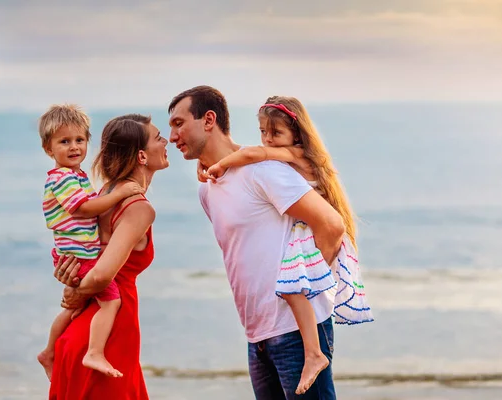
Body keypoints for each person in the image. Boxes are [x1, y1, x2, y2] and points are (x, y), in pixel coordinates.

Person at [168, 86, 343, 399]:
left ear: (209, 120)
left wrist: (309, 279)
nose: (172, 136)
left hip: (295, 333)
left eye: (179, 123)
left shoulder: (263, 171)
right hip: (257, 338)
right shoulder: (207, 190)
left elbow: (330, 225)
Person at [200, 96, 374, 393]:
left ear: (296, 132)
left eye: (275, 133)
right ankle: (313, 352)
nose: (268, 140)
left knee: (292, 288)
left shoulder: (294, 154)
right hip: (299, 239)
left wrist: (220, 164)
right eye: (263, 132)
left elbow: (251, 154)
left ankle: (314, 353)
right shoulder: (286, 155)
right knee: (292, 289)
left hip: (305, 234)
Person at [49, 114, 169, 400]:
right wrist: (77, 293)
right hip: (111, 334)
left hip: (82, 331)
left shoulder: (105, 194)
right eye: (158, 137)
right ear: (141, 155)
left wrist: (75, 286)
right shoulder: (138, 208)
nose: (166, 142)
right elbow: (103, 274)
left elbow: (81, 252)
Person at [37, 104, 145, 380]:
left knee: (75, 306)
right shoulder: (62, 178)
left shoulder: (76, 176)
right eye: (64, 142)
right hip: (79, 255)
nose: (74, 147)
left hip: (77, 253)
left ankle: (48, 351)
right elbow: (84, 208)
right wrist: (121, 193)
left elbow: (92, 206)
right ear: (49, 149)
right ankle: (94, 352)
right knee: (110, 301)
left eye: (79, 140)